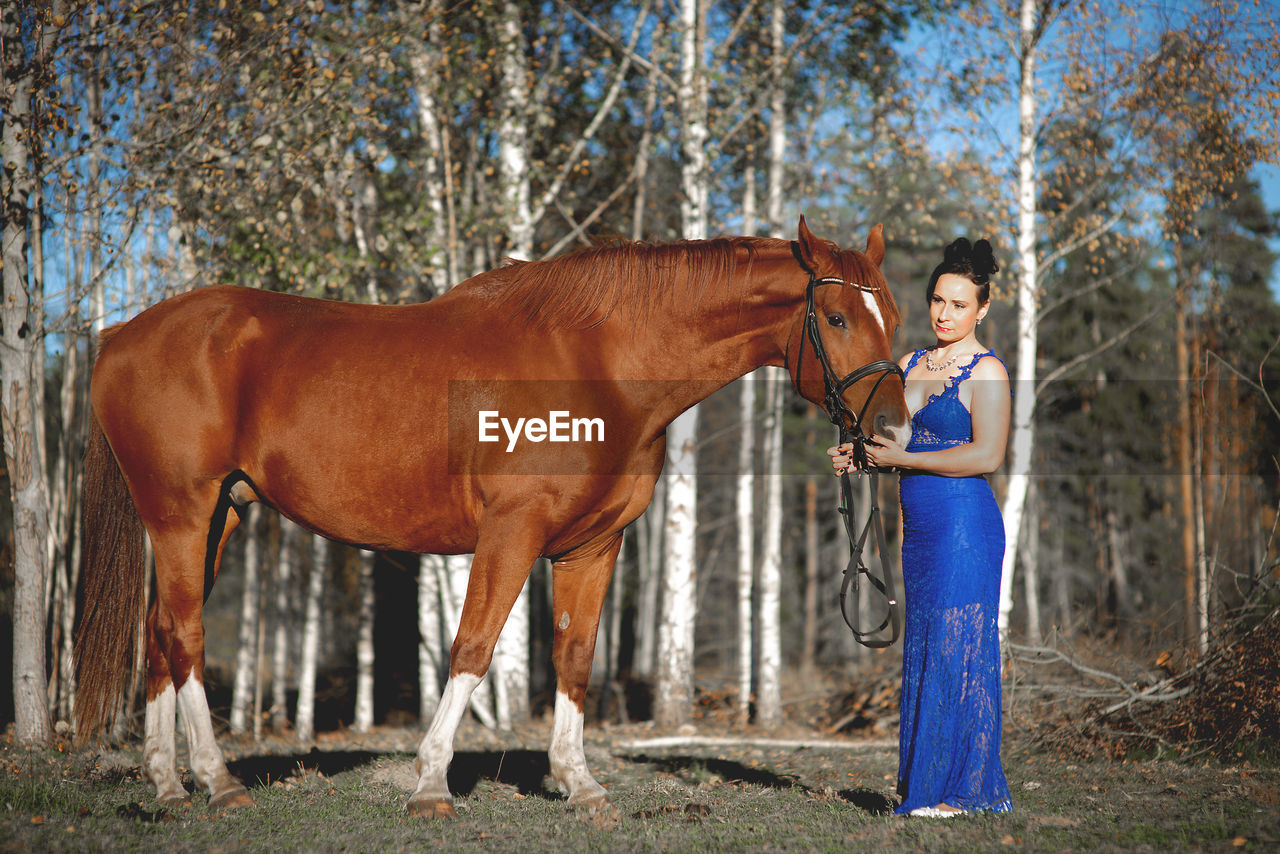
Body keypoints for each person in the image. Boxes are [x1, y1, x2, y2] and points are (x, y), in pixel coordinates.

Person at [829, 237, 1013, 817]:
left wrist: (903, 462)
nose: (943, 314)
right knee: (929, 649)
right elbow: (896, 442)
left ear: (982, 309)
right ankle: (924, 787)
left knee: (962, 650)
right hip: (922, 532)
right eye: (938, 300)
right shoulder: (907, 364)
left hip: (966, 525)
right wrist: (859, 457)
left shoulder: (988, 371)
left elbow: (987, 457)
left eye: (959, 305)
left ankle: (968, 791)